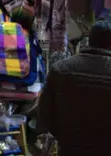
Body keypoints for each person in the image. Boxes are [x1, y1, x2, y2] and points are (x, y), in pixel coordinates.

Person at [38, 20, 111, 154]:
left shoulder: (60, 69)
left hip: (70, 147)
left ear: (89, 40)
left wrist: (65, 136)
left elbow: (45, 114)